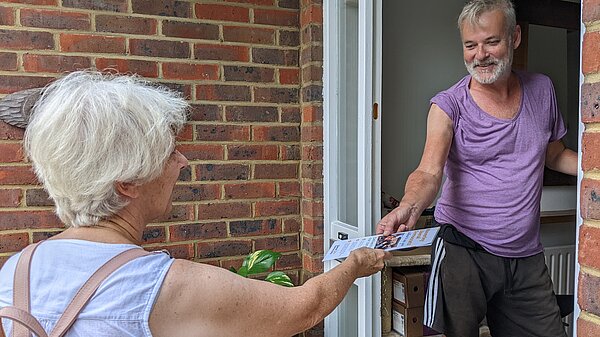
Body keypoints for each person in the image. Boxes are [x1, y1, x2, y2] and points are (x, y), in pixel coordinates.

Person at [0, 70, 391, 337]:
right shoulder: (162, 286)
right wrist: (355, 263)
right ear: (127, 183)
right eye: (169, 152)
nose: (182, 162)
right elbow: (305, 307)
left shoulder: (17, 270)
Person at [377, 1, 577, 336]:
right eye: (470, 45)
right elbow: (428, 172)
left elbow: (554, 155)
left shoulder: (542, 90)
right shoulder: (448, 105)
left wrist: (593, 167)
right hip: (463, 251)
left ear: (515, 37)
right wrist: (409, 207)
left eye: (491, 42)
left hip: (525, 255)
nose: (480, 54)